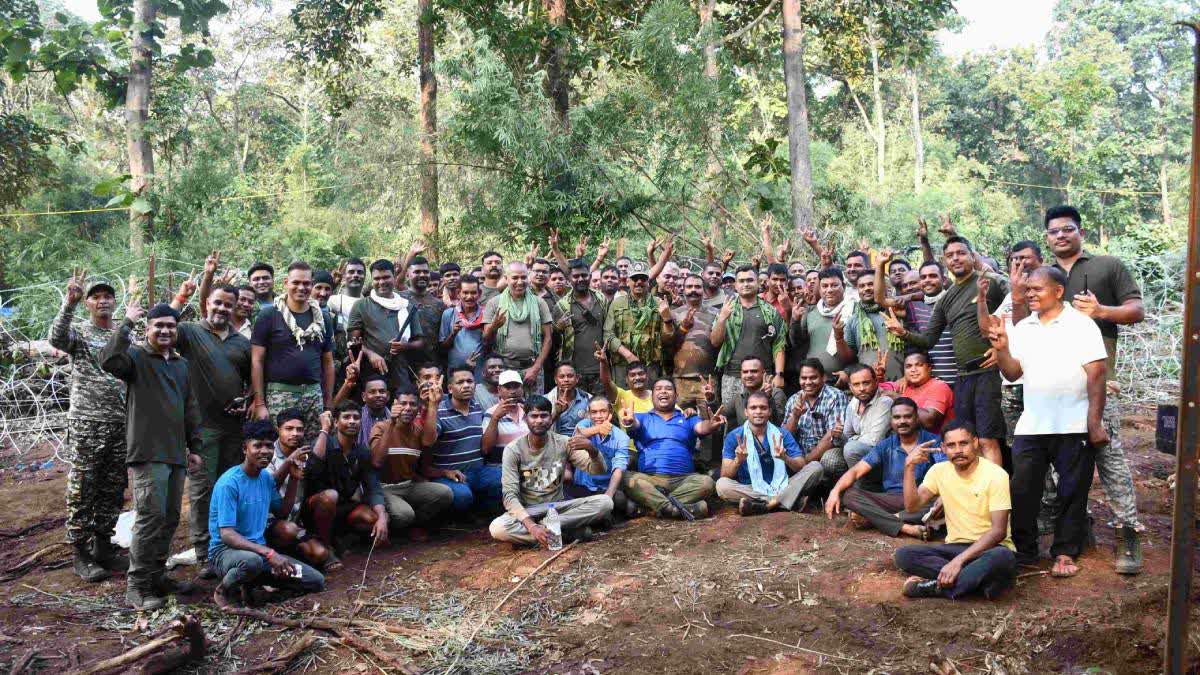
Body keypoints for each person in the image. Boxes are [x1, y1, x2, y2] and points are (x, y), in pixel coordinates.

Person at [1021, 205, 1146, 574]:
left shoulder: (1106, 266)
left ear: (1080, 232)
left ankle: (1128, 533)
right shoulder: (1041, 275)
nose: (1061, 235)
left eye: (1068, 229)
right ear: (1046, 237)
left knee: (1110, 461)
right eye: (1054, 231)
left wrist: (1102, 311)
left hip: (1096, 388)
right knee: (1061, 472)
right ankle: (1077, 533)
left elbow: (1137, 310)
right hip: (1051, 395)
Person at [986, 265, 1108, 578]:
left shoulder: (1081, 325)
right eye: (1027, 290)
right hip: (1033, 424)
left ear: (1058, 291)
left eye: (1037, 289)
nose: (1030, 295)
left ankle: (1065, 553)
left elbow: (1096, 374)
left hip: (1073, 424)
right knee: (1023, 489)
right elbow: (1013, 373)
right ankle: (1025, 552)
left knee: (1072, 491)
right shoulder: (1024, 327)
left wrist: (1094, 423)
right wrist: (1001, 350)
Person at [101, 300, 202, 610]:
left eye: (170, 326)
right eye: (158, 325)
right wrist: (126, 323)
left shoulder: (181, 365)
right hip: (147, 452)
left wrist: (195, 447)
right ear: (148, 329)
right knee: (150, 518)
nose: (165, 330)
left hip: (175, 454)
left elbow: (190, 407)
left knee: (170, 518)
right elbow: (107, 360)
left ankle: (158, 577)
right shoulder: (135, 358)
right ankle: (137, 585)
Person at [886, 236, 1007, 467]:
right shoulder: (945, 300)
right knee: (968, 439)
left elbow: (1019, 307)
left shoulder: (991, 281)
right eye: (950, 256)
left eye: (961, 253)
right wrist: (903, 333)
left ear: (972, 256)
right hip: (963, 378)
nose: (956, 259)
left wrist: (1002, 348)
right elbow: (928, 339)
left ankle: (996, 499)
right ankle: (975, 494)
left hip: (988, 373)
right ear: (945, 261)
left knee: (988, 439)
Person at [168, 281, 253, 571]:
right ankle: (203, 551)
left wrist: (248, 399)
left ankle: (224, 546)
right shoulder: (190, 332)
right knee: (202, 489)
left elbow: (252, 381)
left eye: (228, 304)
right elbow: (161, 329)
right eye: (217, 302)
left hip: (233, 427)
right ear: (207, 303)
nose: (222, 309)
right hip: (200, 428)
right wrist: (181, 297)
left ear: (235, 307)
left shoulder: (242, 343)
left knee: (227, 487)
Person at [49, 271, 128, 582]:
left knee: (112, 487)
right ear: (88, 304)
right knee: (83, 487)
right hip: (87, 423)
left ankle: (103, 546)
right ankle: (81, 551)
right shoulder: (79, 333)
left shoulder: (123, 333)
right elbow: (56, 339)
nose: (103, 300)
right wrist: (68, 303)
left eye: (107, 295)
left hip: (120, 422)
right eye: (96, 296)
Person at [894, 421, 1016, 600]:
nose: (958, 450)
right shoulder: (939, 471)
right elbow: (912, 506)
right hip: (955, 547)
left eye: (963, 443)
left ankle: (932, 588)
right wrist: (909, 467)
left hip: (990, 548)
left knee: (1003, 557)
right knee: (904, 555)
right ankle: (978, 582)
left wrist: (958, 562)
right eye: (951, 445)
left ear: (975, 443)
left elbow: (998, 532)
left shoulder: (996, 475)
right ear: (943, 448)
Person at [209, 420, 325, 608]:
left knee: (314, 580)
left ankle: (253, 584)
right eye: (257, 445)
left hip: (260, 555)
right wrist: (269, 553)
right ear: (245, 449)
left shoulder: (264, 478)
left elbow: (283, 511)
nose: (264, 451)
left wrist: (294, 478)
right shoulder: (229, 483)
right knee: (251, 562)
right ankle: (224, 590)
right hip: (226, 554)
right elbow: (227, 535)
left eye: (269, 446)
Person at [489, 396, 614, 546]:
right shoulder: (513, 449)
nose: (539, 420)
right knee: (497, 528)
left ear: (550, 418)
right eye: (534, 416)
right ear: (525, 419)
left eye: (544, 415)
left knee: (606, 502)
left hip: (557, 508)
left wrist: (592, 450)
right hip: (529, 510)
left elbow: (598, 470)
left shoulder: (563, 442)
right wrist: (532, 526)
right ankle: (564, 533)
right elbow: (509, 496)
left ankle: (550, 529)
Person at [825, 398, 945, 538]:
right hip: (891, 499)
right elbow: (856, 470)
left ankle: (876, 519)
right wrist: (835, 490)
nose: (902, 421)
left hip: (921, 499)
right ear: (891, 420)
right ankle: (904, 527)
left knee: (945, 501)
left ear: (917, 418)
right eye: (897, 417)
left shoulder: (932, 441)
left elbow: (946, 472)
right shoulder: (885, 445)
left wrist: (943, 496)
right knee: (848, 495)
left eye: (907, 416)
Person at [251, 261, 335, 446]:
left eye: (306, 283)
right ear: (286, 283)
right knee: (279, 450)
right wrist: (260, 404)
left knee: (313, 450)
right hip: (280, 394)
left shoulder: (322, 319)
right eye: (296, 282)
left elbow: (328, 362)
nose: (301, 287)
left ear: (311, 285)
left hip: (313, 395)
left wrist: (328, 403)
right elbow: (257, 361)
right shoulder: (269, 316)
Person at [620, 379, 725, 519]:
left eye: (668, 388)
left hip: (683, 480)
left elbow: (702, 427)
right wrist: (630, 422)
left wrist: (711, 425)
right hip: (651, 479)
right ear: (652, 396)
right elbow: (634, 425)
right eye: (658, 389)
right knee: (626, 477)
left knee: (707, 482)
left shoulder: (687, 418)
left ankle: (653, 508)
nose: (663, 391)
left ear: (676, 396)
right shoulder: (642, 418)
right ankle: (675, 509)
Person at [302, 403, 388, 567]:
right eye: (346, 417)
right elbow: (312, 469)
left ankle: (342, 539)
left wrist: (382, 517)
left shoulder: (362, 451)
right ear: (335, 422)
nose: (352, 421)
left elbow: (373, 487)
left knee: (372, 518)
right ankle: (327, 547)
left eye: (356, 418)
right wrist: (324, 430)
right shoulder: (323, 444)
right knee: (329, 497)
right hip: (315, 509)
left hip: (342, 507)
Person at [369, 386, 455, 534]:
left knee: (445, 493)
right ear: (394, 404)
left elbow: (428, 442)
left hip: (408, 485)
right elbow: (377, 461)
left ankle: (416, 525)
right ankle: (398, 527)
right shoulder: (381, 427)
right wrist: (392, 422)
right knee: (404, 515)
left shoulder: (417, 430)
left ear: (418, 408)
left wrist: (433, 405)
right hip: (384, 488)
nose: (408, 408)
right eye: (403, 404)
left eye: (412, 404)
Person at [716, 391, 814, 516]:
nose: (758, 411)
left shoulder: (782, 434)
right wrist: (738, 460)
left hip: (783, 485)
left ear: (769, 411)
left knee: (816, 467)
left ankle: (767, 505)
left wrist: (785, 458)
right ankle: (787, 500)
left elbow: (801, 466)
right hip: (751, 488)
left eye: (763, 408)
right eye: (753, 408)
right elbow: (725, 474)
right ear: (746, 412)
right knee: (722, 485)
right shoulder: (734, 436)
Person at [421, 366, 504, 513]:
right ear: (450, 388)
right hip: (449, 475)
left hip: (478, 471)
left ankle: (481, 512)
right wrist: (432, 405)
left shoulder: (477, 407)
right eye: (460, 382)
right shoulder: (439, 410)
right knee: (462, 497)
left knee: (503, 478)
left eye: (470, 381)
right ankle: (460, 518)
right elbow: (427, 441)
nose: (466, 385)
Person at [711, 266, 788, 407]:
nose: (746, 284)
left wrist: (779, 375)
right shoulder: (726, 309)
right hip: (732, 376)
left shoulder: (770, 312)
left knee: (764, 419)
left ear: (758, 282)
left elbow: (779, 344)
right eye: (741, 281)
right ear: (735, 285)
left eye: (750, 280)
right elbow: (715, 342)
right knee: (732, 421)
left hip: (764, 377)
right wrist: (722, 319)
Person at [265, 409, 330, 567]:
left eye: (299, 430)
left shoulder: (304, 452)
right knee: (288, 530)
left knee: (320, 554)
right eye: (289, 429)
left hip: (296, 519)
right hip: (270, 522)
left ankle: (304, 549)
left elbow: (317, 461)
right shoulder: (267, 454)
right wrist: (288, 463)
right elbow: (267, 487)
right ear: (278, 430)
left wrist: (324, 430)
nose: (295, 433)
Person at [350, 259, 423, 394]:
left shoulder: (407, 306)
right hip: (372, 376)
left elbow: (420, 342)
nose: (381, 282)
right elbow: (353, 342)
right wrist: (371, 355)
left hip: (402, 374)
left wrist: (405, 346)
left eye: (386, 277)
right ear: (372, 280)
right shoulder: (361, 306)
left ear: (394, 277)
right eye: (377, 278)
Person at [781, 359, 849, 500]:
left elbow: (832, 436)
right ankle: (803, 493)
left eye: (813, 377)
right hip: (799, 454)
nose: (808, 382)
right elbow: (785, 436)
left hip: (825, 451)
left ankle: (826, 494)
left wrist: (805, 464)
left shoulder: (835, 396)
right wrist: (795, 416)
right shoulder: (794, 399)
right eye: (804, 378)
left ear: (823, 377)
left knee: (830, 461)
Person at [483, 261, 553, 394]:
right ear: (506, 278)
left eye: (523, 277)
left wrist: (536, 368)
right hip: (504, 368)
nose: (520, 282)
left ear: (528, 277)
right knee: (508, 409)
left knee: (534, 410)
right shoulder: (494, 303)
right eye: (515, 278)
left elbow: (548, 339)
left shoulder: (539, 303)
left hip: (532, 368)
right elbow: (485, 338)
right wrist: (494, 326)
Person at [604, 260, 673, 387]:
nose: (639, 282)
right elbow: (608, 334)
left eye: (643, 278)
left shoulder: (659, 303)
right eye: (634, 278)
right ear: (627, 281)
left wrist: (667, 319)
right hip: (623, 365)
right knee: (623, 402)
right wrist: (628, 354)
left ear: (648, 282)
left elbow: (668, 338)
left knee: (649, 402)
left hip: (650, 366)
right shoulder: (617, 303)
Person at [564, 396, 634, 516]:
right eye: (594, 412)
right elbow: (577, 436)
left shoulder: (621, 437)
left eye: (603, 411)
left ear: (610, 413)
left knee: (620, 501)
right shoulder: (584, 424)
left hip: (604, 486)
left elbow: (618, 469)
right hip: (582, 486)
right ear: (589, 414)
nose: (599, 416)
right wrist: (597, 429)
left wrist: (609, 495)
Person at [556, 261, 609, 396]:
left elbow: (609, 329)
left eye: (584, 275)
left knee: (600, 408)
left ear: (590, 276)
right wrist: (557, 328)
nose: (580, 279)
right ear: (569, 279)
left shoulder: (601, 299)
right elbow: (552, 338)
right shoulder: (562, 305)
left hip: (600, 367)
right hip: (574, 371)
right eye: (576, 276)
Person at [790, 268, 853, 380]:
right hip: (812, 381)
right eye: (825, 286)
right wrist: (795, 321)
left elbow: (861, 352)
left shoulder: (853, 310)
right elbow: (797, 343)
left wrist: (848, 372)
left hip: (843, 382)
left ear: (844, 286)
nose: (829, 290)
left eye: (834, 285)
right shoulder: (811, 312)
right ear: (819, 289)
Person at [670, 274, 718, 417]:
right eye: (689, 287)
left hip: (707, 379)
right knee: (680, 425)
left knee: (709, 423)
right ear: (683, 290)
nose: (693, 290)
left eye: (697, 287)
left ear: (704, 290)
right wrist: (683, 328)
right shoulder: (674, 314)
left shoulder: (715, 314)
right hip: (680, 378)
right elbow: (668, 346)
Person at [880, 349, 954, 434]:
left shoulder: (939, 386)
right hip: (907, 440)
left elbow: (929, 422)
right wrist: (878, 376)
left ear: (929, 368)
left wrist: (899, 399)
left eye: (919, 365)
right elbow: (876, 391)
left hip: (934, 443)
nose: (913, 370)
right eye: (909, 366)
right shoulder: (905, 385)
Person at [843, 273, 902, 380]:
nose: (866, 289)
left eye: (871, 284)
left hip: (901, 383)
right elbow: (850, 358)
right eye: (862, 286)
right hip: (869, 385)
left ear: (881, 286)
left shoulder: (897, 312)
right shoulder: (853, 320)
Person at [839, 364, 895, 476]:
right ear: (850, 387)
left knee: (851, 449)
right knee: (830, 458)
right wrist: (837, 435)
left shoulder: (885, 402)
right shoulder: (855, 401)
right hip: (861, 452)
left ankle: (863, 486)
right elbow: (846, 434)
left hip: (885, 457)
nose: (861, 388)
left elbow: (874, 441)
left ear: (876, 382)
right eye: (856, 384)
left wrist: (853, 439)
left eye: (866, 383)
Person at [713, 356, 787, 430]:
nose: (749, 375)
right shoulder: (740, 397)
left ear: (763, 373)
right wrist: (710, 399)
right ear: (741, 374)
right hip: (744, 440)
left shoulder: (776, 393)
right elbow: (717, 415)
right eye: (745, 372)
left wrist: (767, 398)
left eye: (754, 371)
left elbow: (778, 425)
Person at [401, 255, 446, 371]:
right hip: (404, 365)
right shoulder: (399, 299)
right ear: (408, 275)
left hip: (431, 365)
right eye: (417, 272)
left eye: (425, 272)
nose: (422, 275)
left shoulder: (439, 304)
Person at [440, 274, 485, 377]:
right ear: (458, 293)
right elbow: (442, 348)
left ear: (479, 293)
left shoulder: (486, 314)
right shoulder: (448, 314)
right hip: (456, 374)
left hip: (480, 372)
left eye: (473, 293)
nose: (469, 297)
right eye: (465, 293)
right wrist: (453, 333)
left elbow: (490, 345)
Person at [483, 370, 530, 461]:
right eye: (508, 387)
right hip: (500, 468)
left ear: (522, 388)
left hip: (527, 466)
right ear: (499, 390)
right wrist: (495, 418)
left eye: (516, 387)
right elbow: (486, 449)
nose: (512, 391)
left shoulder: (528, 410)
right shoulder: (491, 413)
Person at [596, 344, 653, 419]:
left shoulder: (656, 395)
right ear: (626, 379)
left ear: (647, 376)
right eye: (632, 375)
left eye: (640, 374)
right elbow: (606, 382)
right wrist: (603, 362)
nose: (637, 377)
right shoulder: (621, 396)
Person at [547, 363, 592, 436]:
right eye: (562, 377)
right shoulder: (546, 400)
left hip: (580, 442)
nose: (566, 380)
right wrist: (556, 413)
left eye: (570, 376)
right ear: (555, 380)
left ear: (577, 378)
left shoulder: (588, 399)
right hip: (554, 443)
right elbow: (540, 429)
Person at [328, 258, 367, 325]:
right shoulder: (333, 301)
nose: (355, 275)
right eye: (351, 272)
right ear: (344, 276)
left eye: (360, 272)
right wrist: (331, 285)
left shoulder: (369, 305)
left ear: (365, 276)